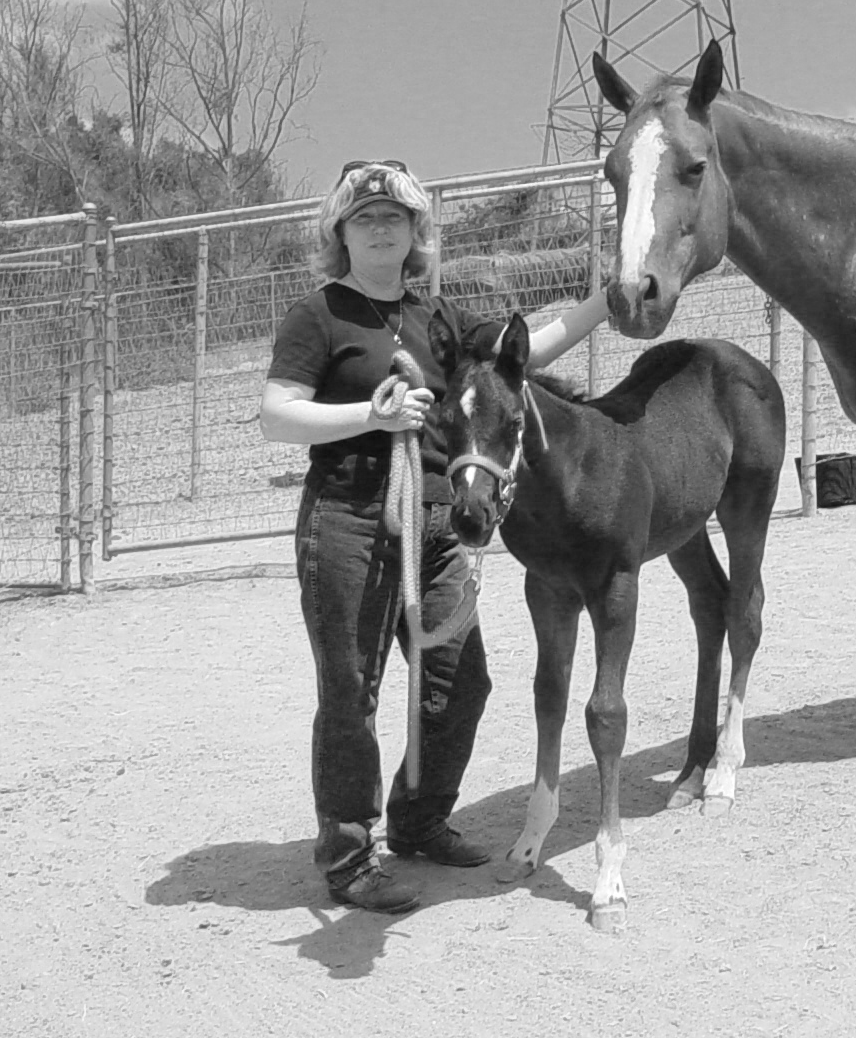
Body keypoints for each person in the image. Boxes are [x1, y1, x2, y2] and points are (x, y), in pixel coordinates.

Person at [260, 159, 609, 914]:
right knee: (353, 690)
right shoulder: (319, 316)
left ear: (416, 232)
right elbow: (276, 415)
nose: (382, 227)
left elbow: (526, 356)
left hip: (437, 525)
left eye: (396, 217)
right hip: (349, 519)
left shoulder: (438, 318)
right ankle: (350, 854)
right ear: (341, 233)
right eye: (366, 217)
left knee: (459, 682)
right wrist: (371, 417)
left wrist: (603, 302)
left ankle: (419, 823)